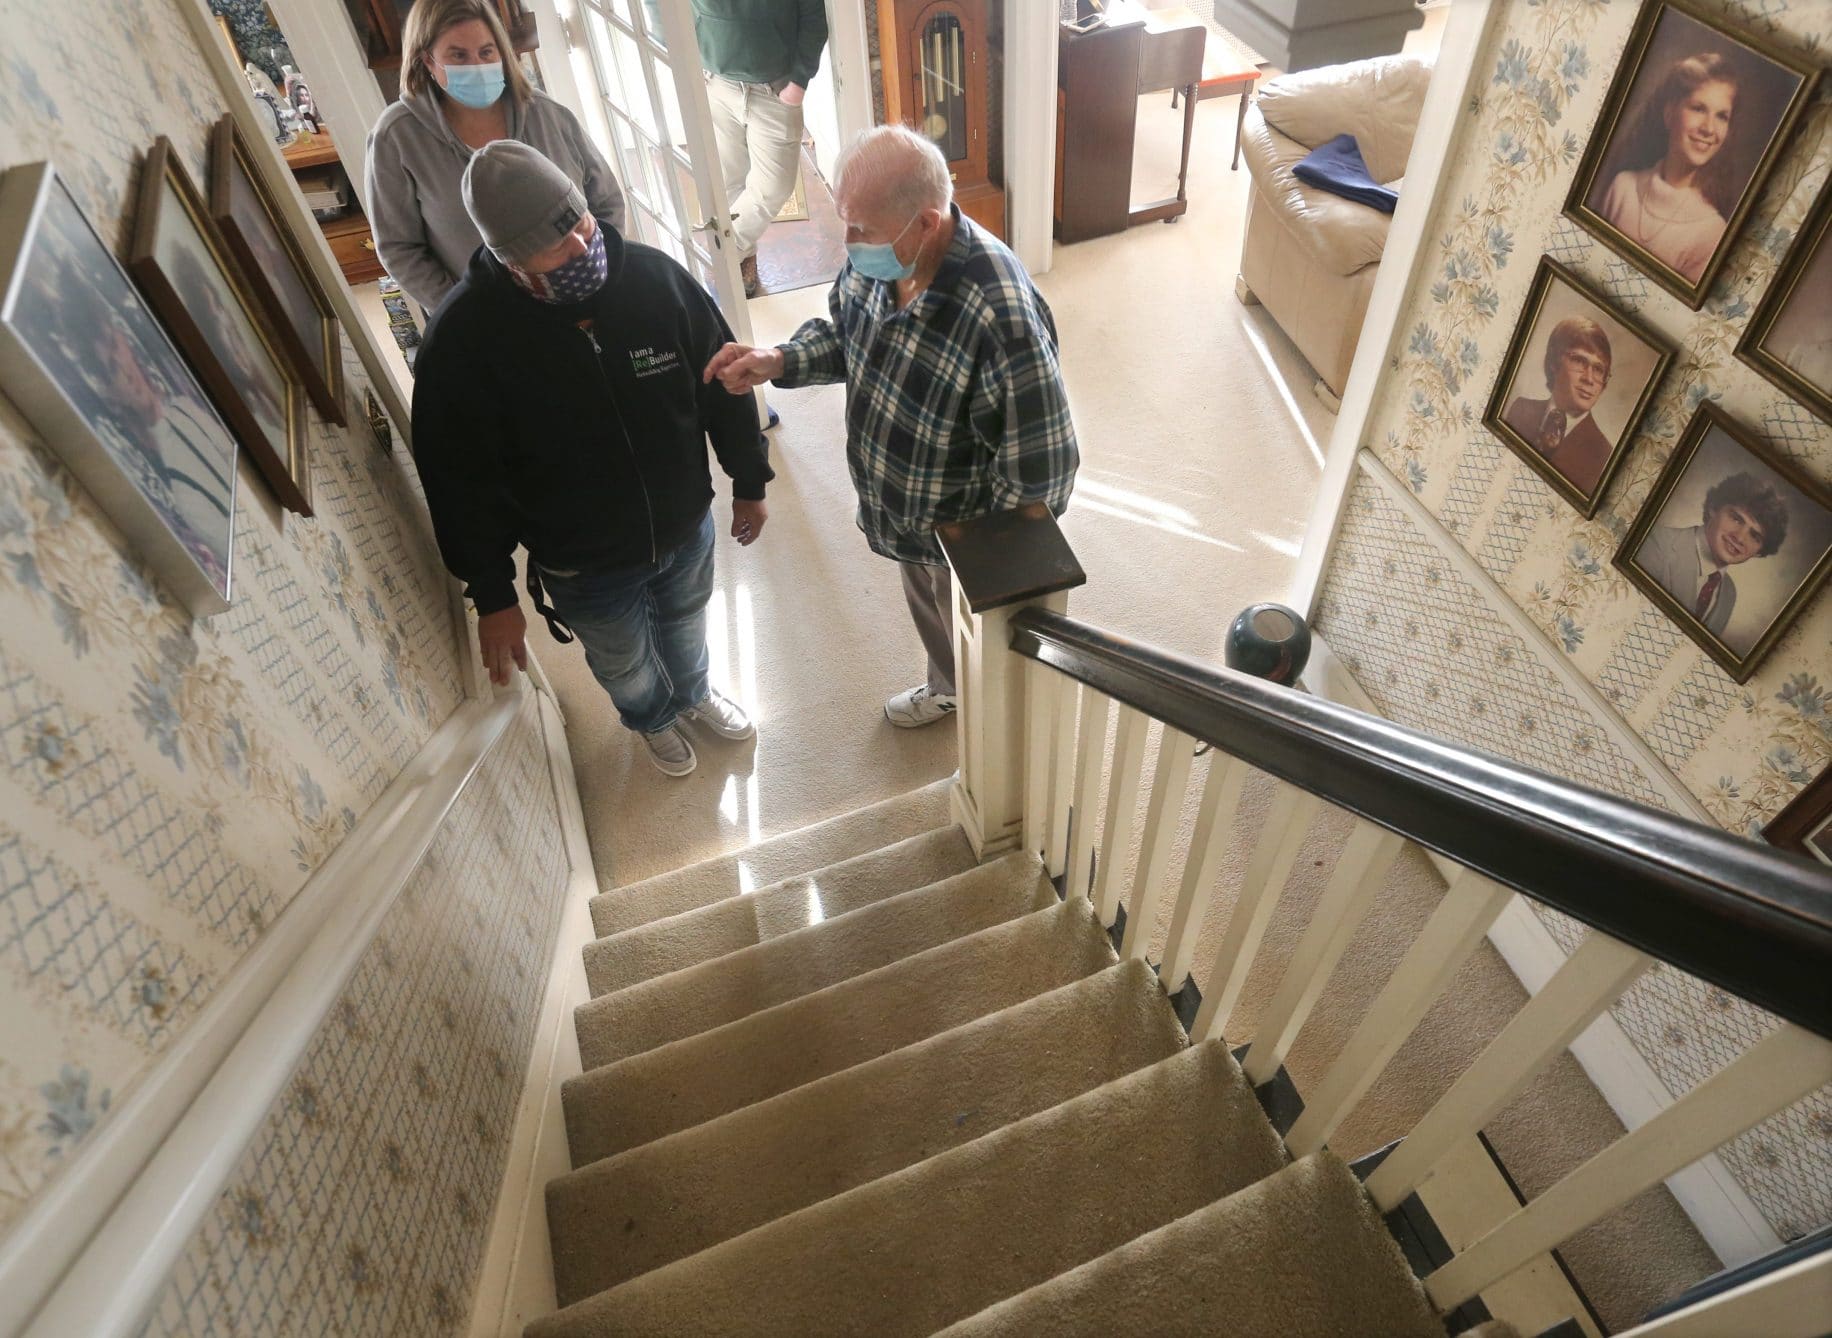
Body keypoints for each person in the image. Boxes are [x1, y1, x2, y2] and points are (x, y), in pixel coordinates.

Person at [411, 141, 772, 777]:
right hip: (584, 565)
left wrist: (749, 478)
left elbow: (726, 380)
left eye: (578, 222)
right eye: (556, 245)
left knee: (688, 626)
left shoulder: (659, 280)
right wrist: (492, 593)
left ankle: (691, 696)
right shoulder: (462, 342)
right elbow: (458, 482)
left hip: (685, 526)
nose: (583, 248)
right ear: (509, 258)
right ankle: (651, 719)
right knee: (623, 663)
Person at [705, 125, 1078, 729]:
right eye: (847, 223)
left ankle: (986, 714)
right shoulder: (882, 258)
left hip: (965, 532)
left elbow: (1044, 468)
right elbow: (847, 334)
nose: (848, 242)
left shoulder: (999, 316)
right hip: (904, 509)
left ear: (927, 223)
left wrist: (987, 572)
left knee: (965, 624)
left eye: (861, 230)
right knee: (927, 603)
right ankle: (950, 685)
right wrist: (778, 361)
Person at [366, 0, 627, 315]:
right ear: (428, 62)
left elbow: (606, 202)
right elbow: (399, 248)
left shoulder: (549, 115)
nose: (476, 65)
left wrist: (598, 273)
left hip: (581, 297)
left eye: (487, 52)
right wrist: (465, 310)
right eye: (459, 55)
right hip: (484, 315)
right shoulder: (396, 138)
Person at [686, 0, 828, 297]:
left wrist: (798, 83)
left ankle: (723, 252)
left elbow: (815, 19)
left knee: (773, 187)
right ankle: (742, 254)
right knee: (727, 179)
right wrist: (686, 55)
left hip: (775, 90)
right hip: (716, 83)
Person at [1596, 51, 1742, 286]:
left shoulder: (1711, 232)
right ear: (1669, 113)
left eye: (1722, 116)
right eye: (1698, 108)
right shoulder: (1622, 187)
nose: (1709, 128)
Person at [1637, 471, 1788, 641]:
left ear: (1759, 551)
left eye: (1755, 536)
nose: (1739, 537)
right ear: (1713, 508)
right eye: (1737, 519)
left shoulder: (1729, 593)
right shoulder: (1655, 545)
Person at [1503, 315, 1614, 496]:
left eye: (1599, 369)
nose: (1589, 378)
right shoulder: (1521, 409)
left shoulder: (1602, 454)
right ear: (1555, 362)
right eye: (1579, 361)